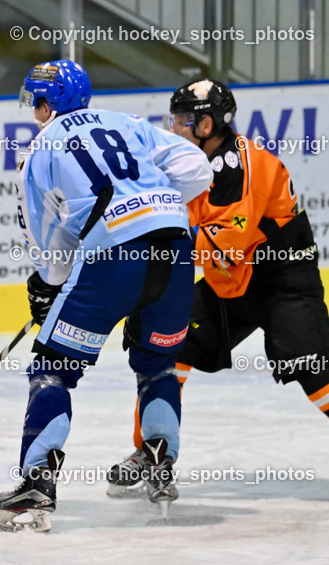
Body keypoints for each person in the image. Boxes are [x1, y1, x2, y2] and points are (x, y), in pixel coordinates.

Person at [0, 60, 213, 531]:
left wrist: (48, 285)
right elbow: (197, 167)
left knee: (52, 369)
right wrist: (154, 201)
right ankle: (160, 459)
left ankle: (36, 484)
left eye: (36, 101)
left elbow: (45, 235)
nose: (35, 110)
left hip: (113, 262)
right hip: (175, 252)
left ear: (47, 104)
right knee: (158, 365)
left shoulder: (40, 150)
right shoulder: (128, 124)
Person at [108, 79, 329, 493]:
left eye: (182, 120)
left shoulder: (237, 165)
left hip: (283, 281)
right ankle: (154, 450)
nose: (173, 128)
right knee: (169, 345)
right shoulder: (192, 162)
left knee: (314, 372)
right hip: (231, 284)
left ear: (207, 125)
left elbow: (225, 246)